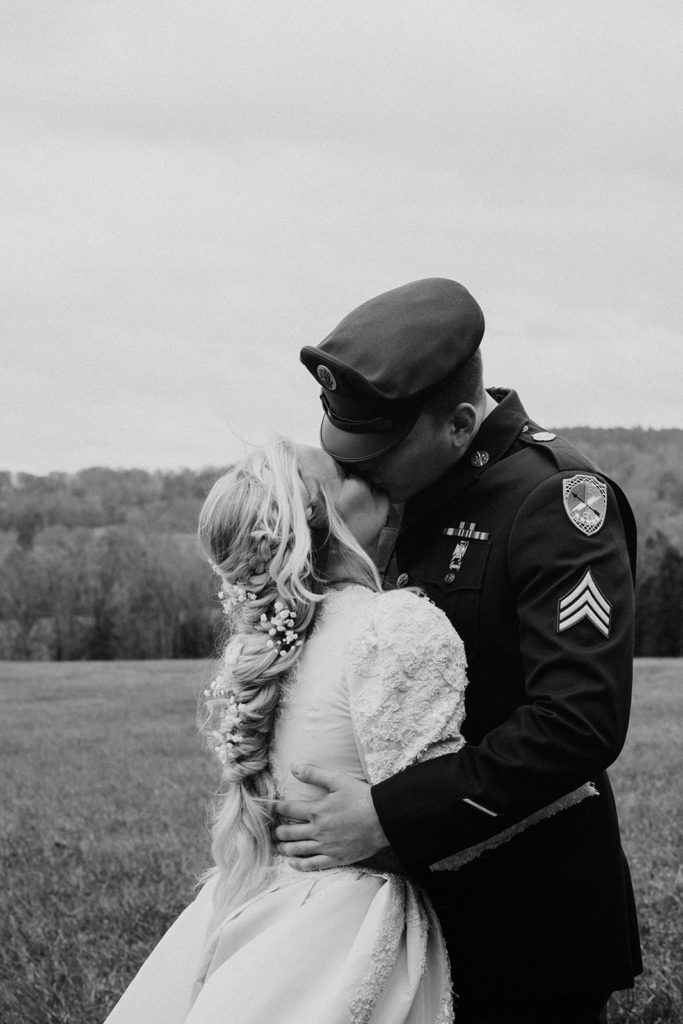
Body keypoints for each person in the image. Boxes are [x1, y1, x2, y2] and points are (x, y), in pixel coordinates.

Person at [104, 438, 595, 1024]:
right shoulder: (392, 626)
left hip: (267, 900)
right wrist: (568, 787)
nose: (370, 467)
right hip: (352, 923)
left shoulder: (269, 645)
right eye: (344, 470)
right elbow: (436, 821)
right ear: (320, 512)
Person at [273, 278, 642, 1024]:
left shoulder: (556, 503)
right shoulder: (400, 494)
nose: (359, 470)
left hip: (526, 918)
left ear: (460, 422)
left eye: (379, 451)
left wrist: (389, 818)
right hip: (397, 913)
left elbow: (578, 721)